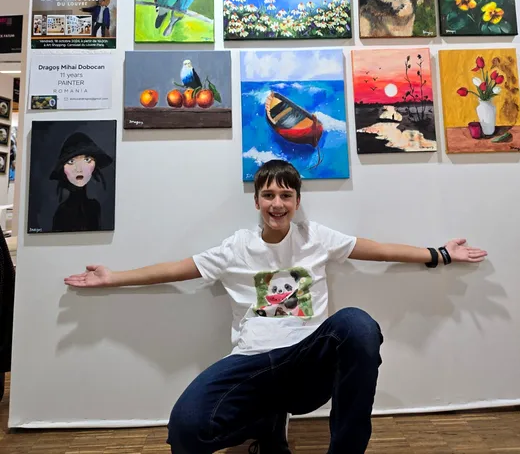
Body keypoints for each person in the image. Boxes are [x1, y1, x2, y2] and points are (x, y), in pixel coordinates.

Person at [64, 160, 487, 453]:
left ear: (297, 201)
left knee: (357, 325)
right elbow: (177, 269)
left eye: (286, 195)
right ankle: (265, 422)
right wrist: (113, 277)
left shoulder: (315, 237)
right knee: (185, 430)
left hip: (307, 362)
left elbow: (376, 250)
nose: (277, 204)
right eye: (268, 195)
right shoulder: (236, 248)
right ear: (256, 202)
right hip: (251, 363)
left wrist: (439, 254)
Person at [51, 131, 113, 233]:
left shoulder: (94, 207)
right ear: (63, 169)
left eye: (87, 160)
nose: (79, 169)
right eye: (71, 161)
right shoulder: (61, 212)